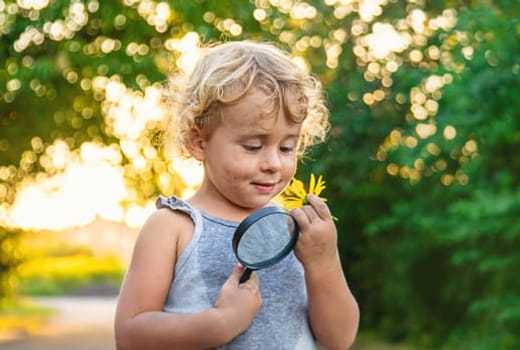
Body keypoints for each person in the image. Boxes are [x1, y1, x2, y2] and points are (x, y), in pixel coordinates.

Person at [114, 41, 359, 349]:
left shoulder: (295, 229)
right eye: (253, 146)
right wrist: (220, 323)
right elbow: (130, 335)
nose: (273, 163)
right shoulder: (173, 226)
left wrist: (323, 262)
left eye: (287, 147)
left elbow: (339, 338)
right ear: (199, 143)